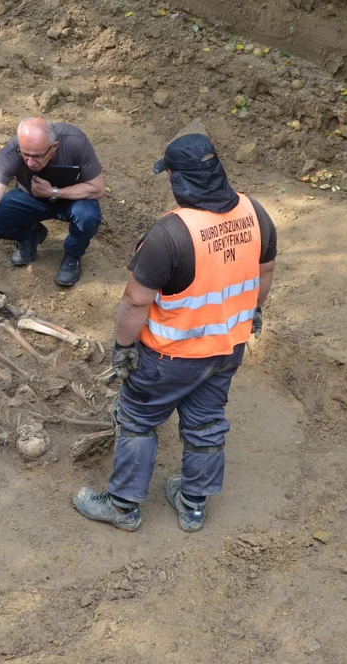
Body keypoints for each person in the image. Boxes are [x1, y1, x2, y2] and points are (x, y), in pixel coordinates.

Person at [73, 133, 277, 532]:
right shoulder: (255, 213)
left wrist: (122, 346)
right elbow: (264, 272)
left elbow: (135, 301)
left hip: (171, 355)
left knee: (135, 417)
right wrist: (253, 310)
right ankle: (193, 503)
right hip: (226, 348)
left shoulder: (170, 233)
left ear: (179, 180)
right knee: (205, 423)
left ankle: (122, 505)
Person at [0, 117, 105, 287]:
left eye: (37, 156)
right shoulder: (12, 150)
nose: (30, 163)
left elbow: (98, 188)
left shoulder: (75, 142)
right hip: (30, 198)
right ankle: (30, 234)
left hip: (72, 199)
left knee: (88, 217)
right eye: (25, 155)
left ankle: (73, 255)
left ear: (54, 147)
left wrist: (54, 192)